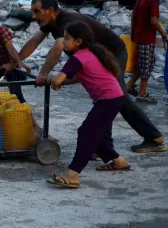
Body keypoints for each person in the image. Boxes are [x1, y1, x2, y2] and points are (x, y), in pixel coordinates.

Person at [18, 0, 165, 153]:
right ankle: (105, 147)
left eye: (37, 11)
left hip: (113, 53)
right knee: (106, 98)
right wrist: (16, 61)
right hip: (94, 58)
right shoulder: (50, 22)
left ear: (50, 10)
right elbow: (35, 40)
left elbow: (58, 46)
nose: (33, 16)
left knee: (115, 96)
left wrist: (43, 74)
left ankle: (153, 138)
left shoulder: (69, 22)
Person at [47, 22, 130, 189]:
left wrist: (54, 82)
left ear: (78, 41)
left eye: (67, 39)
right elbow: (78, 78)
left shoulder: (77, 58)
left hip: (108, 99)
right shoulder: (89, 53)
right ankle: (119, 161)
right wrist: (59, 81)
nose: (63, 43)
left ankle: (73, 174)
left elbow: (58, 79)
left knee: (87, 133)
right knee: (91, 133)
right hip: (114, 97)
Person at [126, 0, 168, 104]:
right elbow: (154, 21)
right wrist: (164, 33)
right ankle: (142, 93)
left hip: (139, 34)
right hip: (146, 37)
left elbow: (135, 14)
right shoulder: (153, 0)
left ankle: (130, 85)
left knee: (147, 61)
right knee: (147, 65)